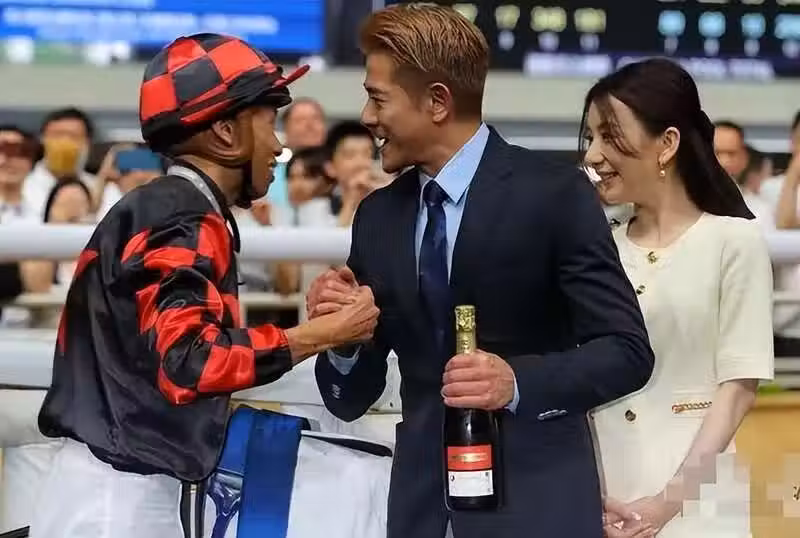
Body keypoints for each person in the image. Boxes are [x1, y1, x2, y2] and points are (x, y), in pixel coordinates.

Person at [307, 4, 655, 538]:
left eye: (378, 98)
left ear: (437, 101)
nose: (367, 117)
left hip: (537, 507)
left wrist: (516, 382)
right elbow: (349, 397)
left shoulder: (554, 193)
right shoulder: (377, 217)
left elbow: (627, 352)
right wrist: (342, 339)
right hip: (421, 511)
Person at [28, 32, 378, 538]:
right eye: (269, 123)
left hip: (116, 481)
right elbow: (188, 362)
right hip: (119, 495)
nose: (278, 146)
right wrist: (323, 334)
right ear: (226, 134)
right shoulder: (183, 215)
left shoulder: (166, 206)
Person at [583, 58, 774, 537]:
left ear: (667, 143)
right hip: (600, 502)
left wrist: (666, 504)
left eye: (609, 136)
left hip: (697, 506)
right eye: (589, 137)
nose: (593, 155)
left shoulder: (734, 241)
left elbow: (737, 390)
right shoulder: (594, 245)